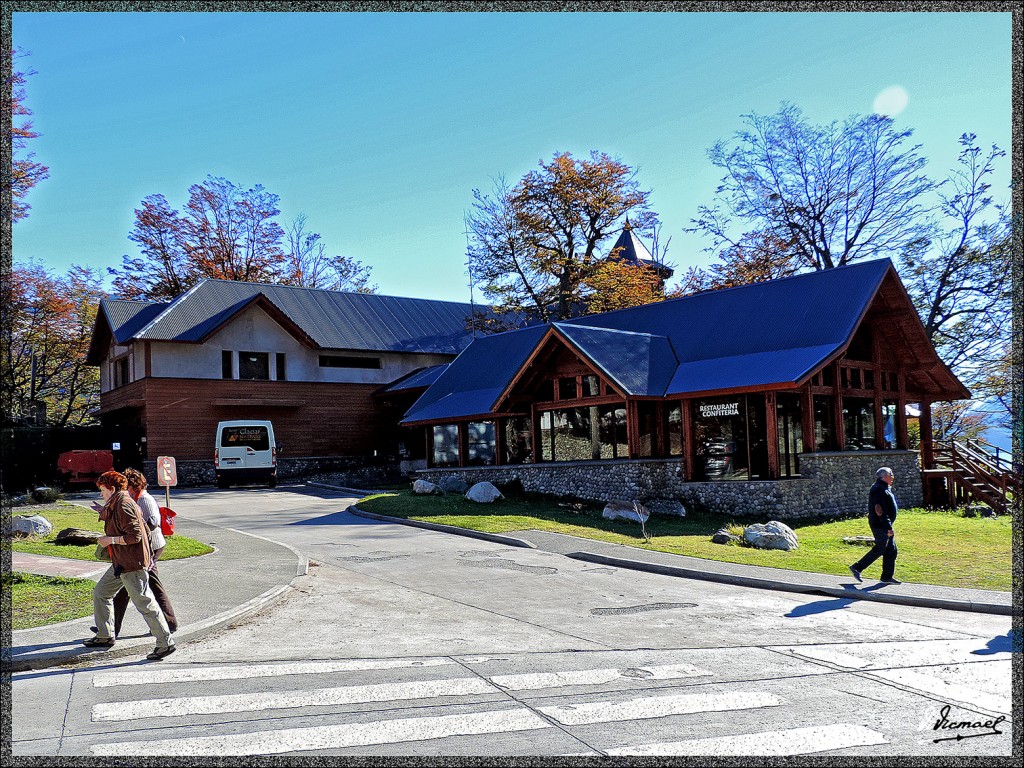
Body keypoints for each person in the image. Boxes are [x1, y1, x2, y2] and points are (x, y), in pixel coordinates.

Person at [84, 470, 176, 660]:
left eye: (102, 490)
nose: (101, 494)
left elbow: (135, 536)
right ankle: (105, 635)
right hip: (121, 562)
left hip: (131, 563)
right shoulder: (117, 503)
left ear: (111, 488)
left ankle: (165, 643)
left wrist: (110, 540)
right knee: (101, 592)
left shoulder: (124, 504)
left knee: (145, 603)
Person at [849, 466, 901, 585]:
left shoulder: (884, 487)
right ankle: (857, 568)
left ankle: (886, 577)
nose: (893, 477)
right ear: (886, 476)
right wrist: (888, 527)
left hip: (884, 524)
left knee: (891, 550)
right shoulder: (878, 489)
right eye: (891, 475)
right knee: (880, 548)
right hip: (880, 525)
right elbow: (879, 510)